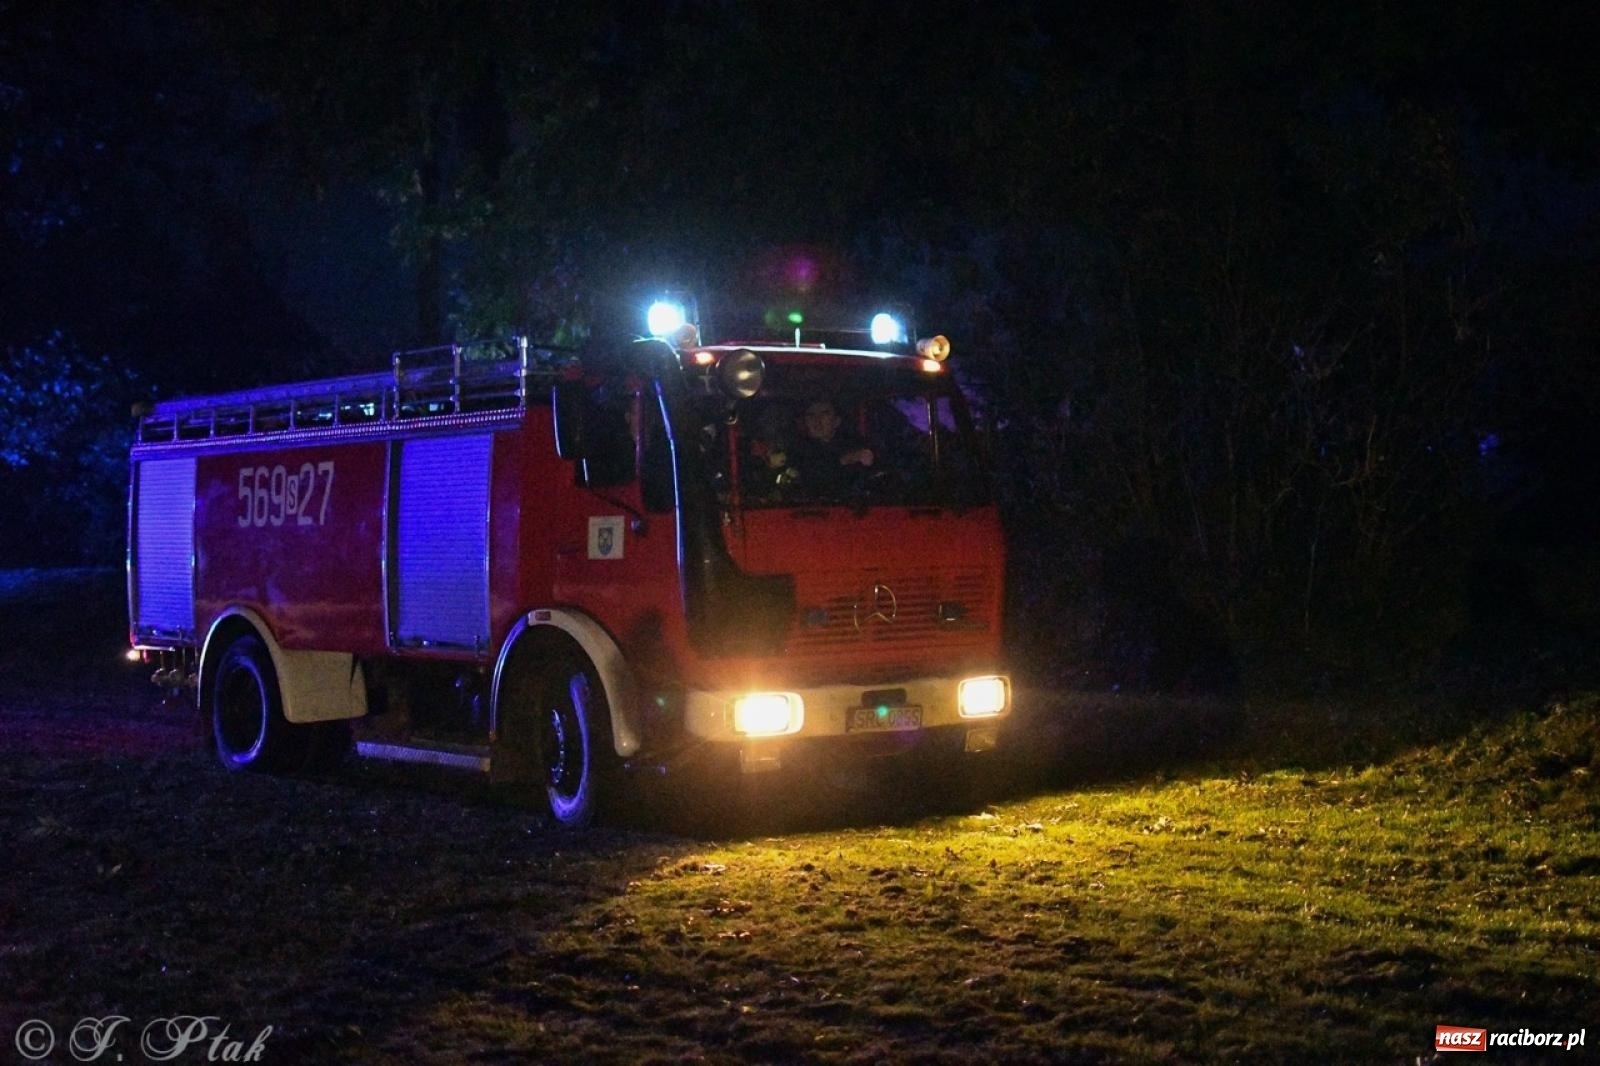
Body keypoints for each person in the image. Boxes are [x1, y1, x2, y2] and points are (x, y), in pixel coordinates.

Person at [785, 399, 874, 495]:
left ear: (837, 421)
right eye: (811, 415)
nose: (817, 420)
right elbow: (810, 476)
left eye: (824, 414)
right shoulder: (796, 450)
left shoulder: (855, 446)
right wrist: (844, 460)